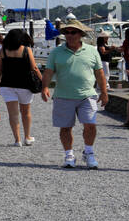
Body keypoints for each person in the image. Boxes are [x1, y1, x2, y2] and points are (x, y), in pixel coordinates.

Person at [41, 19, 109, 169]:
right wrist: (44, 87)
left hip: (87, 95)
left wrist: (104, 92)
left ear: (81, 34)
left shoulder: (92, 51)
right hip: (63, 95)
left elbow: (100, 73)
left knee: (90, 125)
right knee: (65, 128)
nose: (69, 35)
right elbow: (48, 72)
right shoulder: (56, 52)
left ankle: (89, 152)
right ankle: (69, 154)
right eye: (67, 32)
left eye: (73, 32)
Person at [0, 28, 46, 146]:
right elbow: (34, 68)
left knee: (12, 114)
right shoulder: (26, 50)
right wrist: (43, 82)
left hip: (7, 84)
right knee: (26, 112)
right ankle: (27, 137)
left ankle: (17, 140)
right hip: (24, 85)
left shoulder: (3, 50)